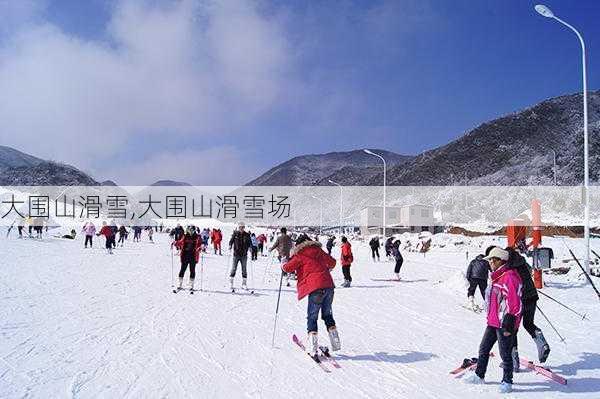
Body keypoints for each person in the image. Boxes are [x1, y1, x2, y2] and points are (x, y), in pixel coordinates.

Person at [463, 247, 523, 394]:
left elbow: (515, 304)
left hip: (504, 324)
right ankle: (479, 375)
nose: (489, 262)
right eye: (489, 260)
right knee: (483, 349)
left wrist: (509, 325)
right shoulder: (496, 277)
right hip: (493, 321)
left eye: (491, 260)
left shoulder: (509, 277)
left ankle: (507, 381)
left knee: (505, 354)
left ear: (499, 261)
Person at [282, 234, 341, 357]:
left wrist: (283, 263)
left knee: (312, 317)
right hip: (329, 286)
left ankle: (313, 348)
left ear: (298, 245)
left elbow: (288, 268)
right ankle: (336, 343)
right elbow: (333, 263)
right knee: (327, 315)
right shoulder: (318, 250)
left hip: (315, 289)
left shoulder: (300, 254)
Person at [506, 246, 551, 366]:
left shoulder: (508, 266)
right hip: (532, 296)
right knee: (528, 323)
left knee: (512, 329)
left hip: (519, 300)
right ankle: (542, 342)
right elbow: (530, 271)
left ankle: (513, 360)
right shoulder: (522, 261)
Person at [173, 226, 201, 291]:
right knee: (182, 269)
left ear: (194, 230)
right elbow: (180, 242)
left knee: (192, 270)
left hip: (193, 256)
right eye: (189, 230)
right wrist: (175, 243)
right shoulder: (185, 236)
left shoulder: (197, 236)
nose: (190, 231)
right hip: (185, 255)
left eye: (192, 230)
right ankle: (180, 284)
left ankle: (191, 285)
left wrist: (200, 247)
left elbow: (200, 244)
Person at [229, 222, 252, 291]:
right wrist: (230, 245)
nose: (241, 228)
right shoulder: (235, 234)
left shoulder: (247, 235)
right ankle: (231, 283)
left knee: (244, 269)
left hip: (244, 255)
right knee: (233, 268)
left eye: (243, 227)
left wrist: (250, 247)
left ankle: (244, 284)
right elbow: (231, 241)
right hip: (236, 254)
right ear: (238, 228)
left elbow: (250, 243)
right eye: (240, 227)